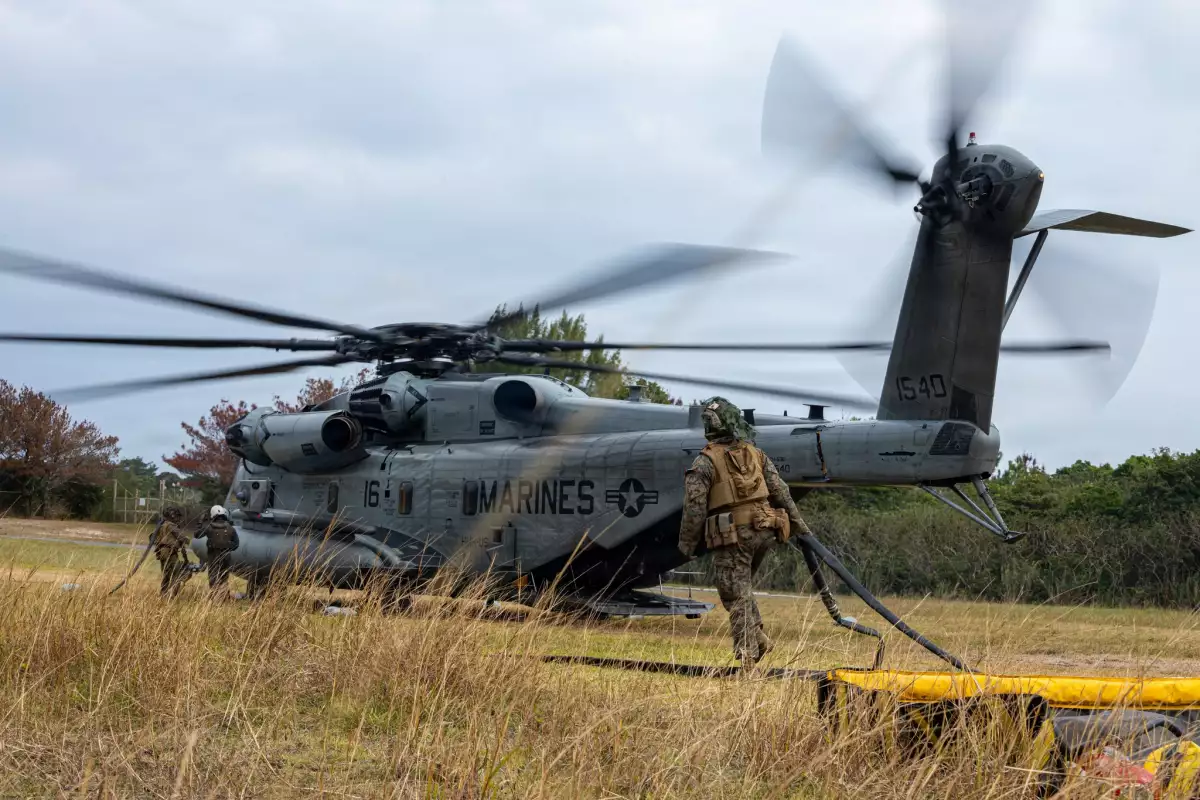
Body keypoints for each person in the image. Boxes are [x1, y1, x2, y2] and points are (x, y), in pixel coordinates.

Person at [677, 396, 813, 667]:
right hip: (766, 530)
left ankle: (748, 658)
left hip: (735, 536)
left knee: (734, 593)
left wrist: (687, 545)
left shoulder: (705, 461)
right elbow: (781, 492)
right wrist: (799, 525)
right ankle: (759, 638)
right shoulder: (756, 453)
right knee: (741, 587)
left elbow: (694, 507)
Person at [195, 505, 239, 597]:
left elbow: (197, 535)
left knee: (213, 577)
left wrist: (200, 522)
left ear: (213, 515)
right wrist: (226, 547)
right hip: (226, 557)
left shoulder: (209, 527)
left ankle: (214, 596)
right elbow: (236, 544)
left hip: (213, 556)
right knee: (224, 577)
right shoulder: (231, 528)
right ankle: (223, 596)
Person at [153, 505, 193, 598]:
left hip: (162, 553)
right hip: (170, 552)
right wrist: (187, 540)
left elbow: (153, 538)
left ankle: (163, 594)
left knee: (166, 575)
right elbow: (182, 537)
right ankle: (171, 595)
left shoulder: (162, 526)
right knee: (177, 573)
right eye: (177, 516)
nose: (178, 519)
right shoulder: (171, 526)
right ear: (173, 516)